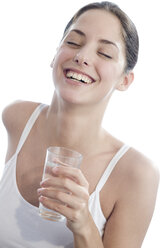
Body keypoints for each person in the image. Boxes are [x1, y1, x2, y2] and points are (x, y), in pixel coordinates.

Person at [0, 1, 159, 248]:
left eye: (105, 53)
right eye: (73, 42)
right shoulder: (17, 118)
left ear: (125, 81)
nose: (81, 56)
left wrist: (83, 223)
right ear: (54, 56)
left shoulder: (137, 174)